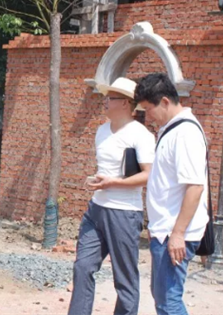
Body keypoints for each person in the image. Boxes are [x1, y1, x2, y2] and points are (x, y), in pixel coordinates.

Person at [68, 77, 155, 315]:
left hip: (124, 213)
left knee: (124, 279)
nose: (104, 101)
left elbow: (149, 175)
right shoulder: (102, 131)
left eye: (110, 98)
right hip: (96, 210)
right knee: (82, 267)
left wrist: (113, 183)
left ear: (126, 103)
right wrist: (98, 181)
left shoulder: (141, 135)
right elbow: (106, 170)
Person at [134, 73, 208, 315]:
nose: (147, 116)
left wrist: (178, 234)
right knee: (164, 298)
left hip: (173, 234)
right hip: (165, 230)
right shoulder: (171, 129)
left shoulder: (185, 134)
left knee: (168, 301)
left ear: (165, 101)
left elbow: (195, 186)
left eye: (148, 109)